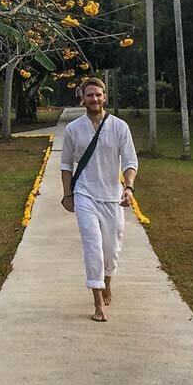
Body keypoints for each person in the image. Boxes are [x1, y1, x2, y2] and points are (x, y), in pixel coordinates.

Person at [59, 77, 139, 322]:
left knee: (111, 248)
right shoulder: (73, 129)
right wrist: (68, 195)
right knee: (93, 246)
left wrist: (128, 188)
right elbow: (65, 165)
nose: (94, 99)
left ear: (105, 97)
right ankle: (97, 302)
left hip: (112, 196)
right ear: (81, 98)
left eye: (98, 95)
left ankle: (107, 281)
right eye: (89, 95)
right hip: (84, 194)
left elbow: (129, 161)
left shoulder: (119, 127)